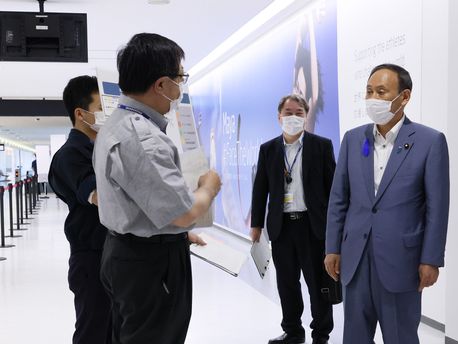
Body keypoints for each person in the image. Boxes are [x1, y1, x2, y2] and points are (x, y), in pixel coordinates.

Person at [93, 33, 221, 344]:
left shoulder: (115, 124)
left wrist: (178, 233)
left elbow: (134, 198)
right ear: (161, 85)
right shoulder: (143, 138)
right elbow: (184, 213)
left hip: (126, 254)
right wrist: (208, 187)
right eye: (179, 77)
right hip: (149, 265)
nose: (181, 87)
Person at [324, 64, 450, 344]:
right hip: (355, 259)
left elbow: (437, 208)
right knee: (355, 337)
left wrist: (431, 259)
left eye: (381, 92)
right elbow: (339, 199)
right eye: (369, 91)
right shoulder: (353, 139)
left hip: (401, 262)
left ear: (404, 97)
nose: (373, 98)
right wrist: (332, 247)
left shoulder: (430, 142)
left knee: (400, 337)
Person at [251, 94, 336, 344]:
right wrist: (256, 225)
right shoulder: (268, 150)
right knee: (287, 283)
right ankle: (292, 331)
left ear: (306, 115)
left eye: (299, 112)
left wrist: (336, 227)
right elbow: (260, 188)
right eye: (288, 113)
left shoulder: (321, 146)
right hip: (282, 228)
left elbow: (333, 190)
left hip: (313, 227)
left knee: (317, 284)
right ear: (279, 117)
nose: (293, 117)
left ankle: (321, 334)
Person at [48, 75, 111, 344]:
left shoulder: (98, 149)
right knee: (94, 333)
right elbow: (100, 196)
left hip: (111, 255)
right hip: (91, 260)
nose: (107, 116)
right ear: (81, 114)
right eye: (101, 109)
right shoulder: (71, 154)